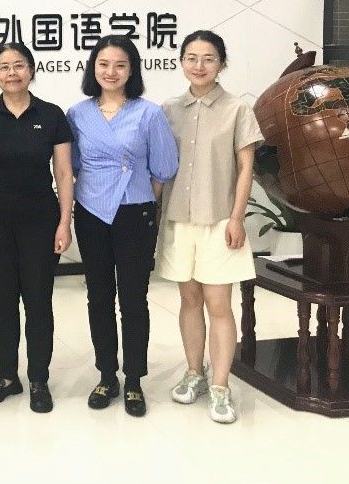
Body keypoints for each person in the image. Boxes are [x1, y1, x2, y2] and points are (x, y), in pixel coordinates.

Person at [66, 35, 178, 418]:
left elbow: (163, 169)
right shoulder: (77, 114)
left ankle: (133, 380)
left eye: (120, 65)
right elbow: (72, 166)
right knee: (98, 296)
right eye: (103, 64)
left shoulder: (149, 113)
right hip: (91, 212)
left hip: (135, 213)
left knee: (133, 298)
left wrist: (138, 196)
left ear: (132, 71)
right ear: (93, 68)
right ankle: (106, 375)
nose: (111, 72)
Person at [0, 42, 74, 414]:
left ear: (32, 70)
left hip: (41, 220)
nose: (12, 73)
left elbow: (63, 173)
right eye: (4, 67)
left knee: (39, 302)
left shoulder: (51, 115)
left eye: (19, 65)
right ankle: (7, 376)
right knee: (4, 302)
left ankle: (39, 378)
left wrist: (64, 222)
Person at [158, 30, 262, 424]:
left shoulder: (237, 109)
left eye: (208, 58)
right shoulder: (168, 110)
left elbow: (246, 168)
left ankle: (221, 386)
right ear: (181, 62)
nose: (199, 66)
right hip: (178, 220)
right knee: (189, 301)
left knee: (219, 305)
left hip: (220, 220)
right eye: (191, 58)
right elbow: (159, 168)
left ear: (221, 63)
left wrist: (237, 218)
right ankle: (194, 373)